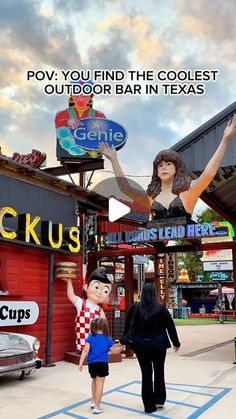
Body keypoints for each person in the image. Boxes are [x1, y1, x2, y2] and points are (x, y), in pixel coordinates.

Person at [99, 113, 236, 221]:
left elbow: (209, 173)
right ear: (156, 170)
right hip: (159, 245)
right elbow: (125, 188)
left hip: (186, 243)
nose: (164, 167)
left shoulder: (189, 190)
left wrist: (225, 140)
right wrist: (114, 159)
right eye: (160, 165)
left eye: (168, 164)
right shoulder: (151, 197)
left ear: (177, 168)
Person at [122, 282, 180, 414]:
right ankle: (159, 399)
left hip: (140, 346)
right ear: (154, 294)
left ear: (142, 293)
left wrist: (123, 340)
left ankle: (149, 406)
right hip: (159, 345)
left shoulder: (135, 308)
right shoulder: (161, 308)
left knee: (146, 374)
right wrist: (176, 343)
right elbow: (170, 326)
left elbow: (127, 325)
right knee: (159, 371)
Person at [62, 267, 112, 353]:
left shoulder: (100, 310)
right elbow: (71, 295)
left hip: (95, 340)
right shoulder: (81, 303)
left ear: (107, 298)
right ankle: (82, 349)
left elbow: (104, 325)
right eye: (96, 287)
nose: (99, 292)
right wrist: (69, 282)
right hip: (82, 341)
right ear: (86, 287)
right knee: (83, 342)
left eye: (105, 291)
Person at [79, 318, 123, 414]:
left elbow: (85, 350)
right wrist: (121, 347)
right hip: (102, 364)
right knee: (100, 384)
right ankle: (97, 407)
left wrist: (81, 363)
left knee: (94, 381)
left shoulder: (90, 338)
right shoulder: (108, 339)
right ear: (105, 327)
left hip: (92, 364)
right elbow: (114, 351)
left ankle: (93, 401)